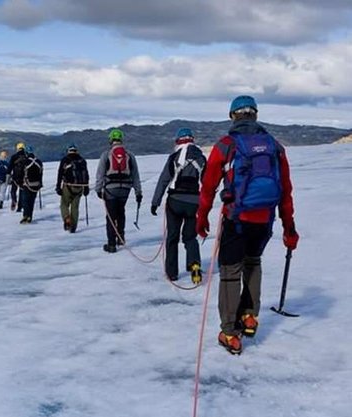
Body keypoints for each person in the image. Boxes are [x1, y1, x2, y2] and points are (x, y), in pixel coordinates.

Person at [196, 95, 299, 355]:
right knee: (253, 263)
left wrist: (202, 217)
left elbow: (208, 187)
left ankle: (229, 332)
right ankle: (250, 317)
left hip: (237, 218)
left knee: (230, 272)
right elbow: (285, 190)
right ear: (255, 114)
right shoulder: (274, 146)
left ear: (233, 116)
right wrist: (289, 228)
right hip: (264, 219)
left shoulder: (226, 145)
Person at [151, 128, 207, 283]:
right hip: (194, 202)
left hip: (175, 201)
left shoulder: (174, 157)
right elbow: (208, 184)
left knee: (172, 238)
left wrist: (155, 202)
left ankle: (172, 273)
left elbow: (164, 180)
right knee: (190, 237)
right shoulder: (201, 158)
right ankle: (194, 264)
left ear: (178, 141)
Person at [95, 128, 142, 253]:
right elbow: (135, 175)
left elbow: (100, 174)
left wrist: (98, 189)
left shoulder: (106, 154)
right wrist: (138, 192)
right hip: (125, 189)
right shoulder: (129, 155)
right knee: (121, 212)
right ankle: (120, 238)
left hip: (110, 189)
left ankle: (111, 244)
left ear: (111, 140)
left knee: (111, 216)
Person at [56, 143, 89, 233]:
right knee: (75, 207)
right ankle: (73, 227)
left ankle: (66, 217)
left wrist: (58, 186)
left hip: (68, 186)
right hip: (80, 187)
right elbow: (86, 174)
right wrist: (86, 188)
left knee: (64, 204)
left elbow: (60, 173)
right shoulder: (82, 160)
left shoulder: (65, 160)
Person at [19, 146, 43, 224]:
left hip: (27, 184)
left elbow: (21, 173)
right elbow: (41, 173)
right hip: (36, 184)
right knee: (31, 201)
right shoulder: (39, 162)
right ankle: (30, 216)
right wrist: (40, 183)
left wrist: (19, 182)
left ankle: (26, 215)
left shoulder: (25, 161)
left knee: (25, 201)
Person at [7, 142, 27, 212]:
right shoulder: (26, 156)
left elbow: (9, 168)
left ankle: (14, 200)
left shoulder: (14, 156)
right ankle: (20, 207)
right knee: (22, 192)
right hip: (24, 178)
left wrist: (8, 177)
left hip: (15, 177)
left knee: (13, 191)